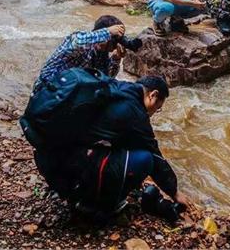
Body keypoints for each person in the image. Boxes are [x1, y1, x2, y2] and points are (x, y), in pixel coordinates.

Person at [33, 75, 192, 220]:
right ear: (153, 95)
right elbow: (154, 155)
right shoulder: (135, 112)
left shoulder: (118, 88)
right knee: (145, 159)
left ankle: (79, 191)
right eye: (158, 108)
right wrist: (174, 192)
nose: (154, 113)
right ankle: (96, 204)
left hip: (50, 159)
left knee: (120, 150)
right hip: (71, 167)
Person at [32, 15, 126, 93]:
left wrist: (116, 58)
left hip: (69, 93)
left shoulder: (101, 54)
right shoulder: (79, 40)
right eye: (115, 38)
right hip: (47, 91)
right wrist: (107, 32)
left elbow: (105, 79)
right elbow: (77, 42)